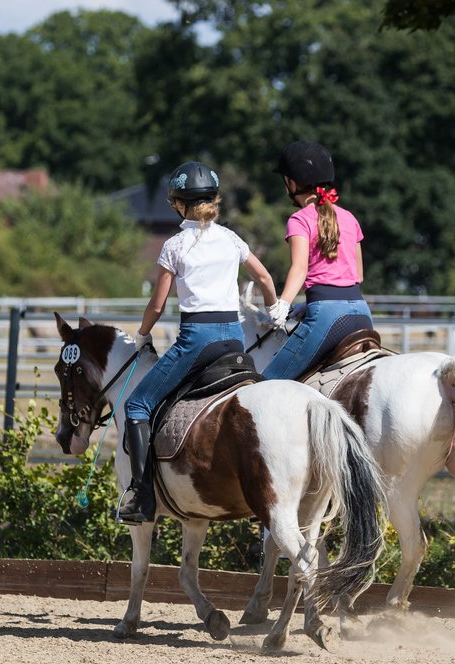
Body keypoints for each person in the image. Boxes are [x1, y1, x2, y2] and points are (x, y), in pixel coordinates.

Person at [117, 161, 277, 524]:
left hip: (196, 341)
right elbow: (265, 277)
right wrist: (276, 309)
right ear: (214, 200)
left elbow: (157, 305)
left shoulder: (174, 245)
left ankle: (141, 499)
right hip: (234, 340)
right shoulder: (232, 239)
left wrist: (142, 336)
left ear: (177, 204)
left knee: (138, 406)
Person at [261, 140, 373, 380]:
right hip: (362, 314)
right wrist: (306, 305)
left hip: (327, 317)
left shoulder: (299, 220)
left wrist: (283, 304)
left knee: (266, 383)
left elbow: (300, 268)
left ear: (292, 182)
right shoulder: (349, 217)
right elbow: (358, 275)